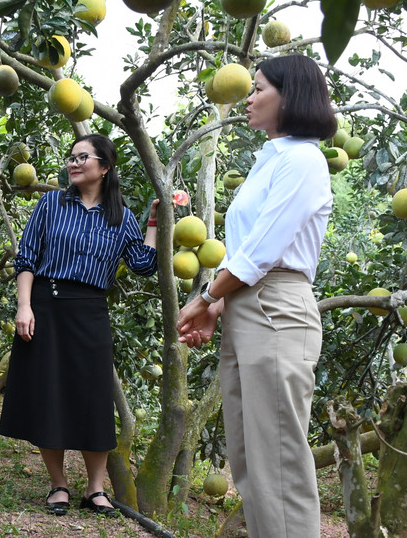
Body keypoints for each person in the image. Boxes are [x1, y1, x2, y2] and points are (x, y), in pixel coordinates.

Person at [176, 54, 336, 537]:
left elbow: (263, 251)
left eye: (259, 88)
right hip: (248, 306)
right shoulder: (273, 159)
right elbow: (250, 250)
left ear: (290, 96)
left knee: (278, 464)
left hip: (277, 310)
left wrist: (207, 297)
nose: (249, 97)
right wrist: (222, 303)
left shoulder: (303, 159)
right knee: (250, 461)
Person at [0, 134, 159, 517]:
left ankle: (95, 489)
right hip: (46, 305)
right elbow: (27, 257)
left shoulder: (121, 217)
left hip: (90, 311)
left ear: (104, 167)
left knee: (93, 398)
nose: (73, 163)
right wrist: (24, 306)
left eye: (82, 157)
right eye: (71, 157)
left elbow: (143, 264)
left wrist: (155, 220)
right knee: (48, 394)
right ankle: (58, 484)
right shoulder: (51, 203)